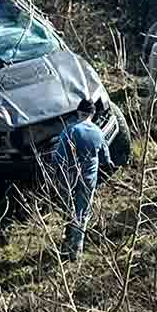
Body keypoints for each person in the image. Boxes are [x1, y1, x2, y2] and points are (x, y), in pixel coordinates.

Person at [50, 98, 113, 261]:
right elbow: (106, 159)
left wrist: (54, 173)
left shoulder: (70, 131)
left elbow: (58, 158)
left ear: (78, 112)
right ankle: (76, 250)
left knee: (68, 210)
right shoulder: (98, 132)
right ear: (93, 114)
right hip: (89, 179)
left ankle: (65, 245)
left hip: (69, 178)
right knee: (82, 213)